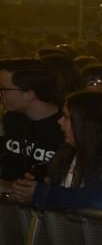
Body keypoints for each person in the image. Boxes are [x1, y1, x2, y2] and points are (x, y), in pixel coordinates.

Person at [10, 90, 102, 210]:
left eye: (66, 117)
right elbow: (53, 186)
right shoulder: (66, 150)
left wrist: (43, 194)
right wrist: (29, 186)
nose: (59, 121)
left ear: (86, 121)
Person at [0, 58, 64, 194]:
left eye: (4, 89)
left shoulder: (66, 125)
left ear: (29, 94)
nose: (1, 94)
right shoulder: (11, 119)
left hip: (49, 211)